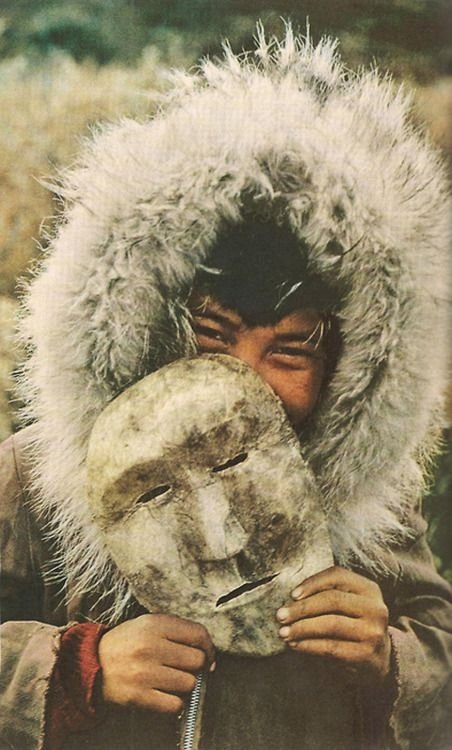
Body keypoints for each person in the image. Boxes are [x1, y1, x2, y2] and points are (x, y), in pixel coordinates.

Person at [1, 25, 451, 750]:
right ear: (146, 329)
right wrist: (74, 671)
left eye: (289, 350)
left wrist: (390, 656)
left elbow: (440, 652)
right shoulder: (36, 480)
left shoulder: (370, 507)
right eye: (213, 336)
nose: (243, 377)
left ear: (348, 365)